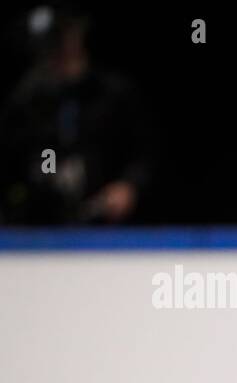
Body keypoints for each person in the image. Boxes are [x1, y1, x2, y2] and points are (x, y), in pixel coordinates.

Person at [0, 5, 155, 224]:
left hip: (106, 225)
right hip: (37, 226)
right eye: (48, 42)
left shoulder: (114, 94)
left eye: (61, 37)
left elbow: (144, 152)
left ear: (78, 34)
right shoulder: (25, 100)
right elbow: (10, 158)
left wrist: (129, 185)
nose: (57, 49)